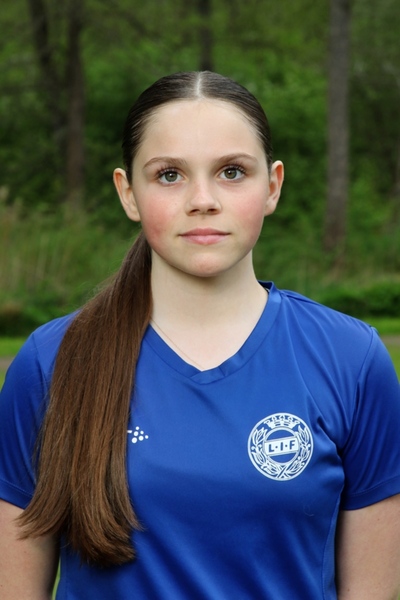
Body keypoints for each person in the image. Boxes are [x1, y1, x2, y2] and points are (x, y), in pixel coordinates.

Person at [1, 71, 400, 600]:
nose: (203, 199)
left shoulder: (353, 360)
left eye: (232, 172)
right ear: (128, 193)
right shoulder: (50, 363)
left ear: (273, 186)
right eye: (169, 175)